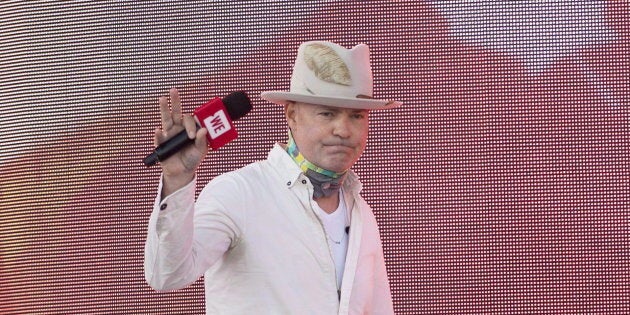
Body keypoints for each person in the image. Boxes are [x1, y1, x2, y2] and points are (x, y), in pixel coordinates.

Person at [144, 40, 402, 314]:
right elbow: (166, 275)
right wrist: (177, 180)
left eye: (357, 116)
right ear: (291, 114)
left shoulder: (361, 212)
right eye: (327, 113)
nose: (343, 129)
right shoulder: (239, 193)